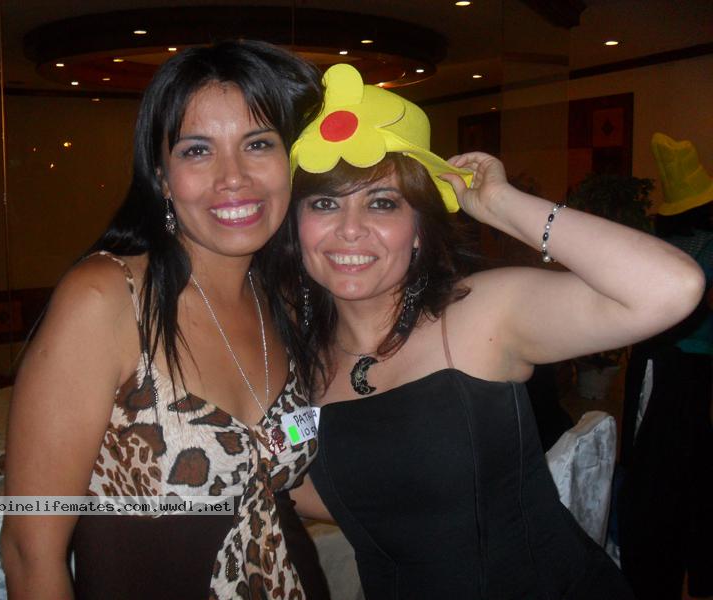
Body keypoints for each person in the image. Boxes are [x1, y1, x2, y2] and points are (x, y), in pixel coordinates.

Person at [276, 64, 704, 599]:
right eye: (324, 203)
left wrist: (501, 204)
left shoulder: (479, 314)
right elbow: (316, 488)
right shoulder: (295, 362)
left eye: (382, 203)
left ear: (419, 229)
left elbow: (673, 286)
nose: (350, 229)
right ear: (296, 226)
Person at [0, 41, 328, 600]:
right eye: (197, 151)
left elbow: (286, 481)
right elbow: (30, 554)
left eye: (258, 144)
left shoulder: (285, 301)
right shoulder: (107, 298)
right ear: (162, 176)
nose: (233, 177)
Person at [618, 132, 713, 600]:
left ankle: (651, 570)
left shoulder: (659, 245)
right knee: (683, 472)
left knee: (654, 470)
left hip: (655, 364)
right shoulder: (706, 247)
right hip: (686, 370)